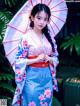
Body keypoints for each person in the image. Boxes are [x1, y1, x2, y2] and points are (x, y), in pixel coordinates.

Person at [11, 3, 59, 106]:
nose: (42, 22)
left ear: (48, 20)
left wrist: (49, 58)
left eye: (45, 19)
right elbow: (18, 61)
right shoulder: (26, 37)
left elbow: (56, 58)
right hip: (31, 79)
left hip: (47, 78)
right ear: (32, 17)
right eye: (39, 18)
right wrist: (36, 60)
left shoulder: (50, 37)